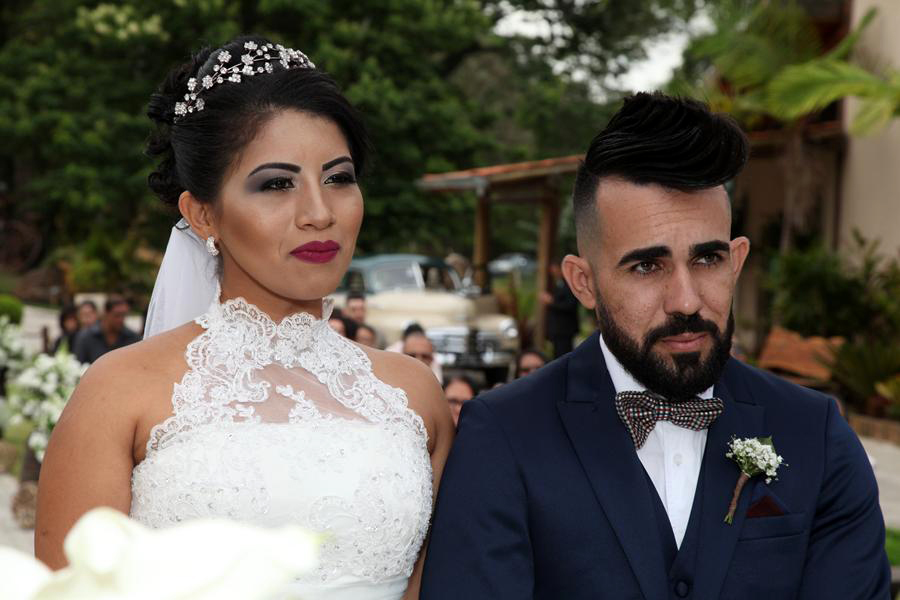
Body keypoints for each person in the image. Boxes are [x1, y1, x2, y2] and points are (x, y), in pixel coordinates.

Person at [421, 92, 889, 599]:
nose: (686, 301)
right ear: (583, 283)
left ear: (736, 261)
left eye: (708, 260)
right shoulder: (504, 435)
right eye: (647, 266)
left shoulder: (816, 434)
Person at [35, 35, 453, 600]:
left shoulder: (414, 394)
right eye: (276, 184)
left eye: (339, 178)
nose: (319, 213)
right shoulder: (119, 390)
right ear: (202, 214)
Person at [72, 295, 140, 364]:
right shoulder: (85, 337)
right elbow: (78, 365)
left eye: (123, 315)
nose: (121, 319)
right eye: (117, 315)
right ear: (106, 313)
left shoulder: (133, 339)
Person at [540, 261, 580, 358]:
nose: (553, 272)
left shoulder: (569, 284)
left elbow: (570, 305)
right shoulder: (557, 283)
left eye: (555, 269)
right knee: (557, 355)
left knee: (565, 355)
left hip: (565, 329)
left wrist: (551, 302)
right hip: (557, 329)